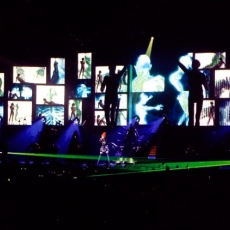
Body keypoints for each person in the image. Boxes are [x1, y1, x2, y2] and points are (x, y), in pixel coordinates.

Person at [177, 59, 208, 126]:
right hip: (199, 94)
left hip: (192, 93)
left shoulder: (190, 73)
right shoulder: (201, 75)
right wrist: (206, 81)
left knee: (191, 116)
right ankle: (197, 130)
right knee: (197, 116)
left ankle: (191, 132)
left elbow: (183, 68)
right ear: (198, 65)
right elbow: (206, 87)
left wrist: (177, 61)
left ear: (192, 65)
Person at [101, 63, 128, 128]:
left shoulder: (107, 78)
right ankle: (112, 124)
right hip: (113, 96)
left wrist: (104, 85)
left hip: (108, 96)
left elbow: (102, 89)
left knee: (108, 112)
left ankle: (109, 124)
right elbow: (124, 69)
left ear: (109, 68)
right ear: (115, 68)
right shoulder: (116, 76)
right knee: (112, 112)